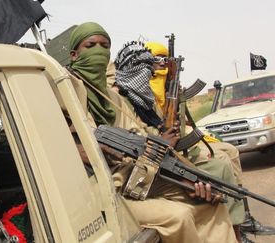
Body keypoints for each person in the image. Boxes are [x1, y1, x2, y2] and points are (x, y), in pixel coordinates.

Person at [65, 22, 236, 243]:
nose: (99, 51)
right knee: (180, 216)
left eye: (104, 46)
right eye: (91, 45)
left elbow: (140, 137)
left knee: (210, 201)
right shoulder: (66, 91)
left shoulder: (112, 98)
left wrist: (189, 181)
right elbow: (83, 150)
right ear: (74, 54)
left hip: (139, 174)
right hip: (104, 188)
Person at [143, 41, 275, 237]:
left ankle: (242, 220)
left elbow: (181, 121)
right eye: (158, 60)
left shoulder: (165, 86)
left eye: (165, 60)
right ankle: (235, 226)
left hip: (177, 143)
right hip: (164, 152)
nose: (162, 64)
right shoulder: (144, 91)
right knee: (221, 163)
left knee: (229, 151)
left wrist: (178, 96)